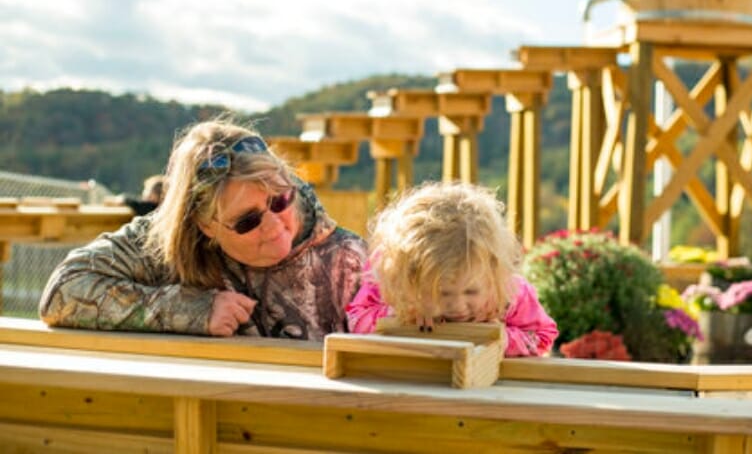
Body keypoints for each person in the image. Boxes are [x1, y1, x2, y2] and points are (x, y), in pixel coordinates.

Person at [40, 117, 367, 339]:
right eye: (247, 221)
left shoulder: (349, 258)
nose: (274, 226)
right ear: (205, 225)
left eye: (280, 200)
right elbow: (63, 291)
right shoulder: (165, 243)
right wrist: (190, 309)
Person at [346, 181, 557, 357]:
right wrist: (404, 313)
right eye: (442, 292)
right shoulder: (394, 282)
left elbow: (542, 337)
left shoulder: (508, 292)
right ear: (410, 277)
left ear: (492, 272)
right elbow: (356, 322)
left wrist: (502, 338)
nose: (457, 306)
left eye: (471, 292)